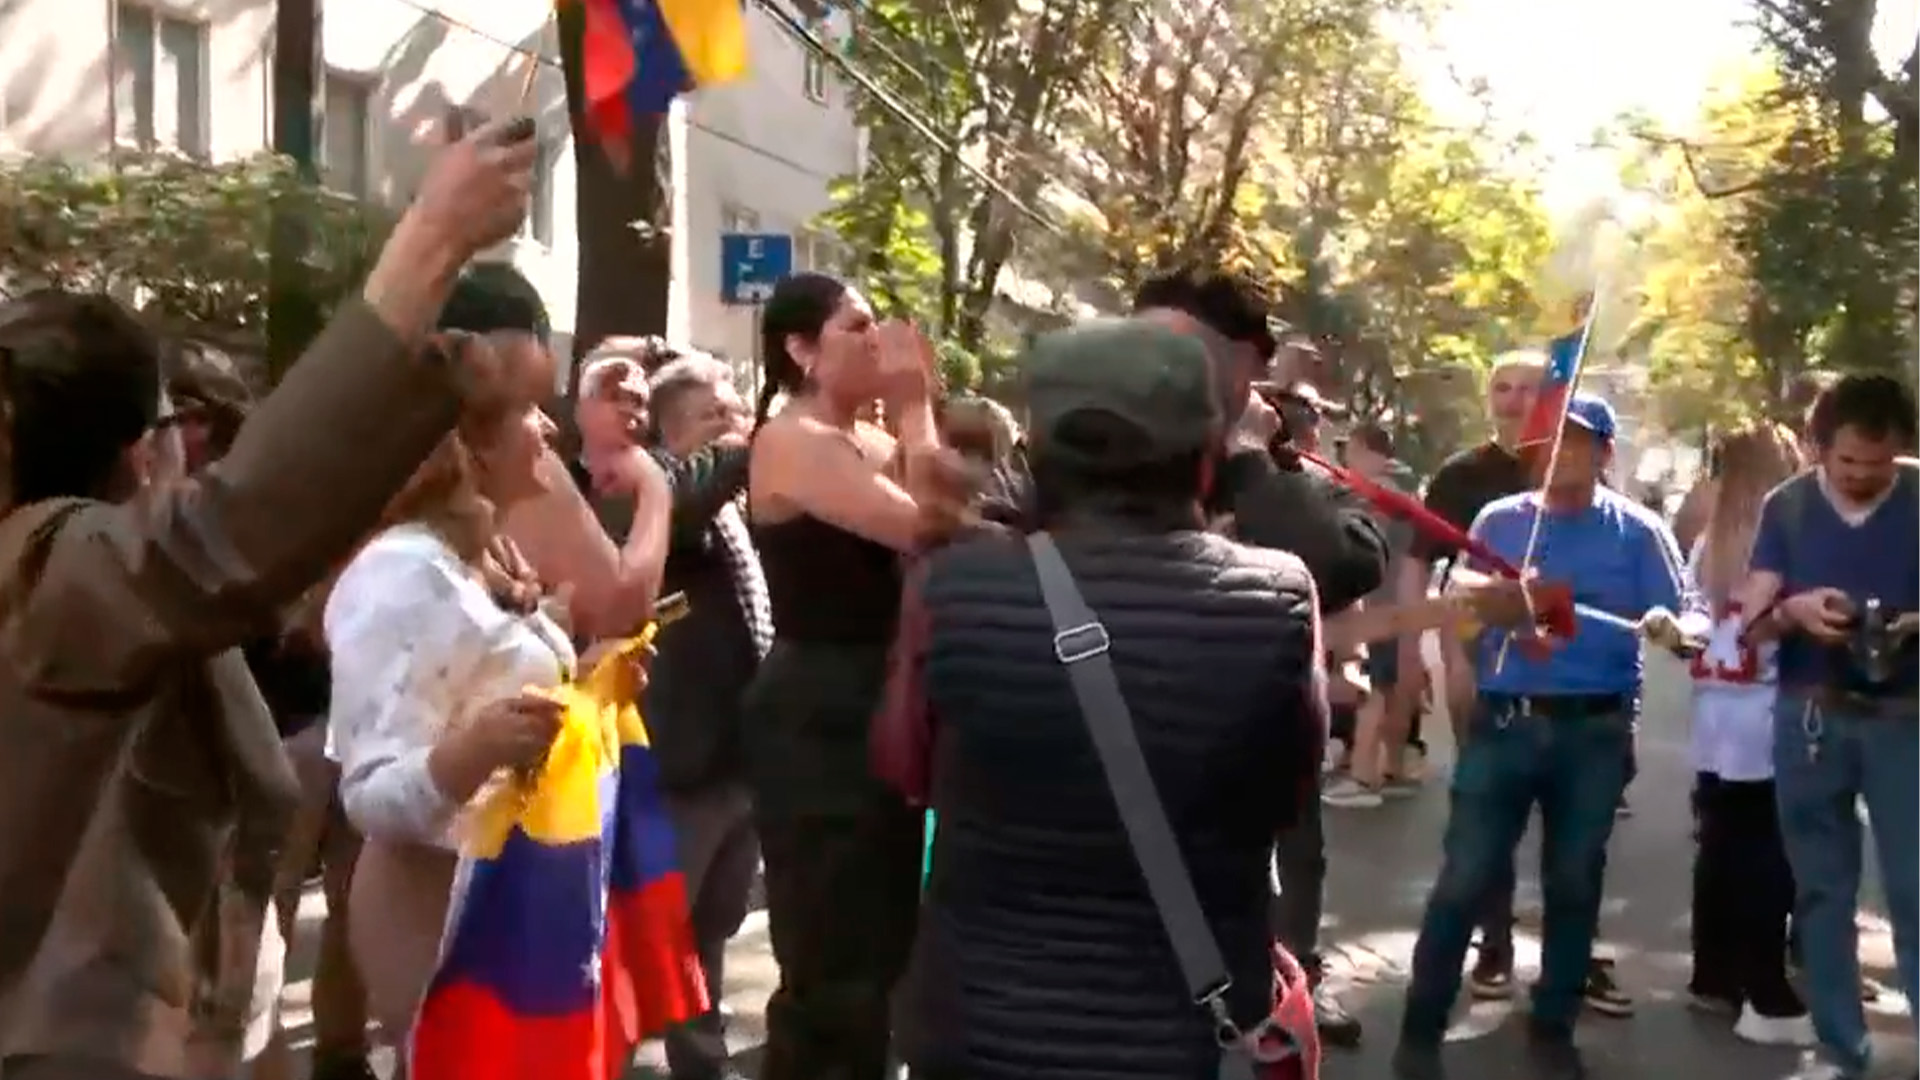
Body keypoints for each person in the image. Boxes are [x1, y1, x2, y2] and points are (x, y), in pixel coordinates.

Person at [0, 119, 540, 1080]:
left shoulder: (104, 601)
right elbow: (237, 533)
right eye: (178, 422)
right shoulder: (49, 569)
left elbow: (257, 580)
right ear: (140, 449)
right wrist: (432, 236)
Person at [889, 318, 1326, 1080]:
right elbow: (1285, 798)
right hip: (1187, 1034)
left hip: (980, 1030)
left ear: (1039, 453)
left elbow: (904, 768)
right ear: (1206, 453)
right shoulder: (1278, 596)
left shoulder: (950, 585)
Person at [1393, 392, 1707, 1080]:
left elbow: (1692, 619)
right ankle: (1420, 1030)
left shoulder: (1639, 530)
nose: (1559, 453)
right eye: (1548, 441)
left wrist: (1675, 629)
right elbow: (1463, 615)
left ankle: (1554, 1023)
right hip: (1504, 722)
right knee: (1464, 877)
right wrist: (1484, 616)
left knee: (1573, 879)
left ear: (1604, 452)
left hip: (1593, 730)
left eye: (1577, 441)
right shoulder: (1499, 522)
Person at [742, 272, 970, 1080]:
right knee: (833, 957)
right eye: (857, 328)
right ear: (801, 351)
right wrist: (914, 408)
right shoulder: (791, 439)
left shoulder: (869, 442)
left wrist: (910, 421)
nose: (880, 343)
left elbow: (960, 508)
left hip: (884, 696)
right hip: (821, 711)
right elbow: (931, 530)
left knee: (885, 949)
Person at [1736, 373, 1918, 1080]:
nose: (1865, 476)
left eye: (1881, 464)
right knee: (1822, 889)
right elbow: (1748, 626)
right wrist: (1797, 610)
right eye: (1848, 464)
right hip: (1811, 712)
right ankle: (1843, 1047)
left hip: (1907, 719)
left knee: (1915, 887)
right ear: (1818, 449)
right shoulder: (1787, 507)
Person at [644, 352, 768, 1080]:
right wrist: (751, 442)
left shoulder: (730, 500)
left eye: (734, 410)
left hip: (738, 754)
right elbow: (685, 491)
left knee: (711, 929)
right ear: (672, 428)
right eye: (712, 416)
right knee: (654, 932)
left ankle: (700, 1062)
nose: (730, 427)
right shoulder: (656, 486)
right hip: (681, 761)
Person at [1683, 422, 1813, 1048]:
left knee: (1721, 849)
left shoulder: (1709, 544)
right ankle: (1765, 989)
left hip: (1715, 721)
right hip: (1768, 721)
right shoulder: (1789, 539)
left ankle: (1713, 973)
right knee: (1769, 859)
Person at [1323, 422, 1424, 808]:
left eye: (1351, 449)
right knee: (1390, 686)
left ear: (1367, 449)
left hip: (1381, 603)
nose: (1347, 458)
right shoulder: (1398, 489)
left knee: (1373, 688)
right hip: (1394, 602)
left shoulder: (1378, 494)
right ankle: (1392, 769)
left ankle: (1364, 777)